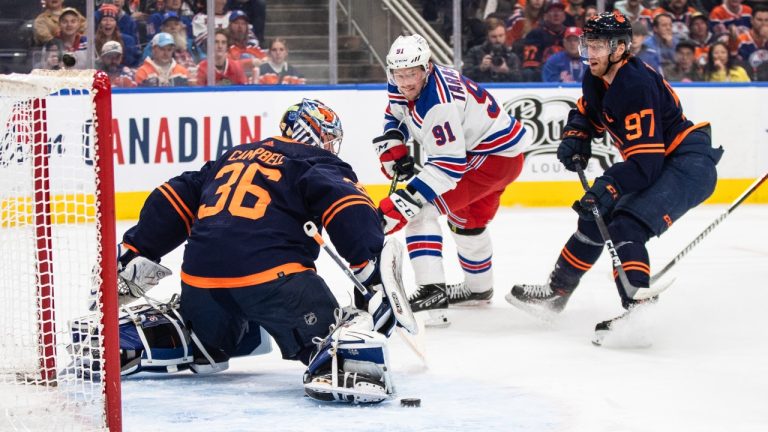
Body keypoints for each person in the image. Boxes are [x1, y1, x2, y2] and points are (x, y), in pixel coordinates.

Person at [107, 99, 410, 403]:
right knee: (332, 331)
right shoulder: (315, 161)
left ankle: (184, 335)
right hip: (273, 283)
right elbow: (348, 206)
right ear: (313, 133)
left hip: (201, 284)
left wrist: (137, 247)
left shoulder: (232, 156)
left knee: (209, 335)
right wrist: (368, 266)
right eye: (329, 139)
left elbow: (173, 195)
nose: (331, 147)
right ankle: (341, 356)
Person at [507, 12, 723, 338]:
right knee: (596, 218)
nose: (590, 52)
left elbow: (645, 165)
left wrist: (607, 185)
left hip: (687, 165)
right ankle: (556, 293)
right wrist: (577, 133)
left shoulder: (635, 86)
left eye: (599, 45)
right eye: (588, 43)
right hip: (662, 161)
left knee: (625, 223)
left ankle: (639, 312)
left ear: (620, 48)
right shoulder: (596, 76)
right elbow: (589, 112)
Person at [375, 34, 529, 326]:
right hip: (497, 155)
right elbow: (395, 111)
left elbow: (448, 166)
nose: (405, 82)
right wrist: (393, 142)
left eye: (412, 74)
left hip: (490, 160)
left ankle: (433, 292)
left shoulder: (439, 103)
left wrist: (403, 202)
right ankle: (479, 288)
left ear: (427, 68)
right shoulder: (403, 80)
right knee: (466, 221)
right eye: (399, 74)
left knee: (419, 212)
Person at [463, 17, 523, 82]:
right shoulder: (475, 52)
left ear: (505, 35)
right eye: (494, 37)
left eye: (501, 35)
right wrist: (480, 68)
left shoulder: (511, 55)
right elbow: (464, 75)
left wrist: (506, 71)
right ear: (487, 36)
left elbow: (521, 80)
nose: (498, 40)